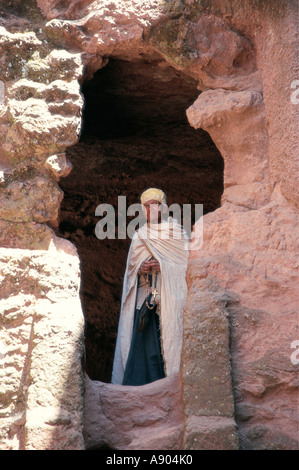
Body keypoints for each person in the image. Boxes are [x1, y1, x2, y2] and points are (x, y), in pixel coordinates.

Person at [111, 188, 189, 386]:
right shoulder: (140, 234)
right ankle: (136, 387)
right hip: (145, 297)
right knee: (141, 341)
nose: (151, 209)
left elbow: (186, 267)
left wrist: (162, 265)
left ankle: (168, 385)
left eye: (155, 205)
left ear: (163, 207)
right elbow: (130, 270)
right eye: (147, 206)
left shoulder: (177, 232)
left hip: (168, 298)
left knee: (167, 341)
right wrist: (140, 268)